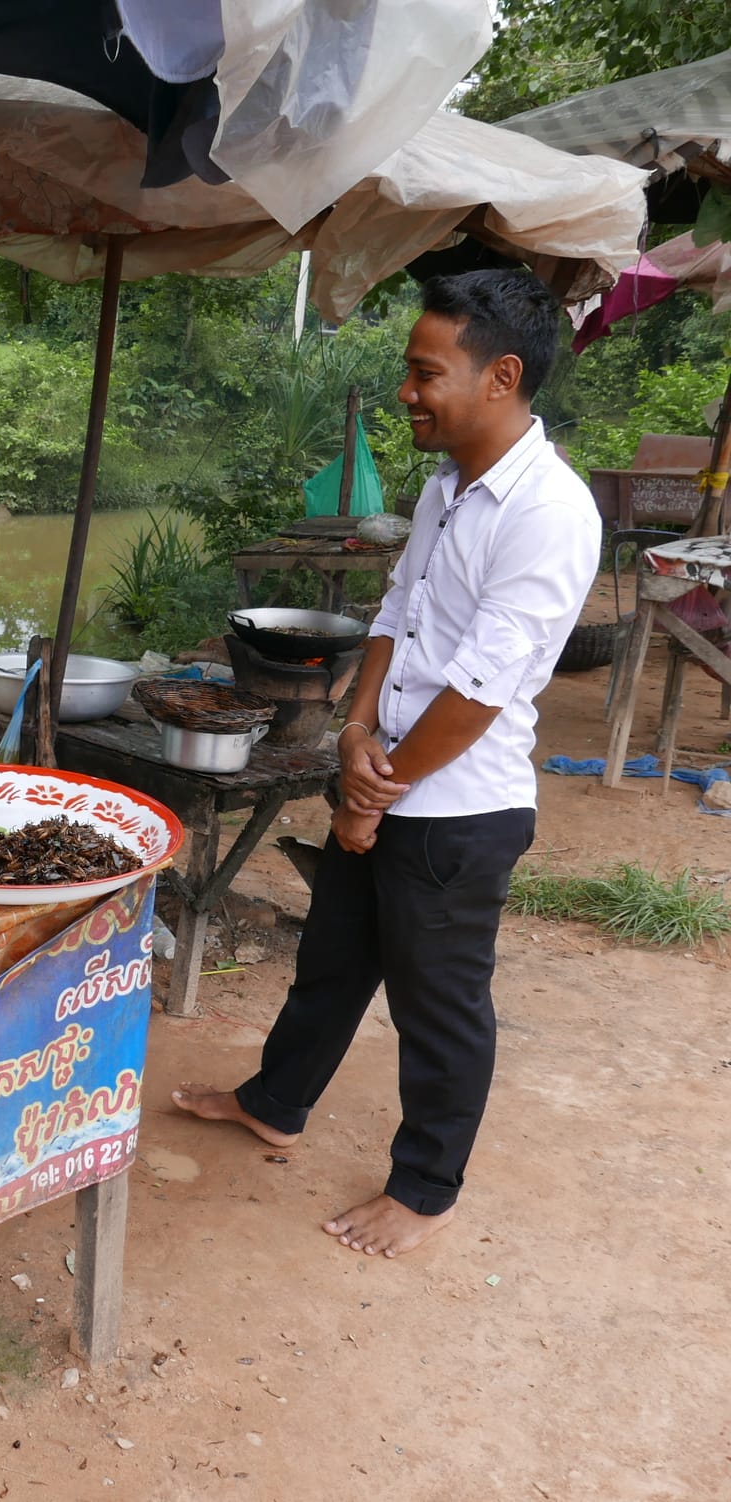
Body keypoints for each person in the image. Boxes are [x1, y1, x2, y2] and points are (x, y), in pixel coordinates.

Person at [172, 269, 601, 1258]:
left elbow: (481, 688)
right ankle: (275, 1101)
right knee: (329, 962)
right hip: (389, 772)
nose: (404, 390)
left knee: (437, 1005)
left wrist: (378, 787)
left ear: (499, 376)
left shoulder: (546, 513)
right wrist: (355, 732)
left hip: (455, 811)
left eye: (422, 372)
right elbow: (393, 618)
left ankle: (424, 1187)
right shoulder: (446, 486)